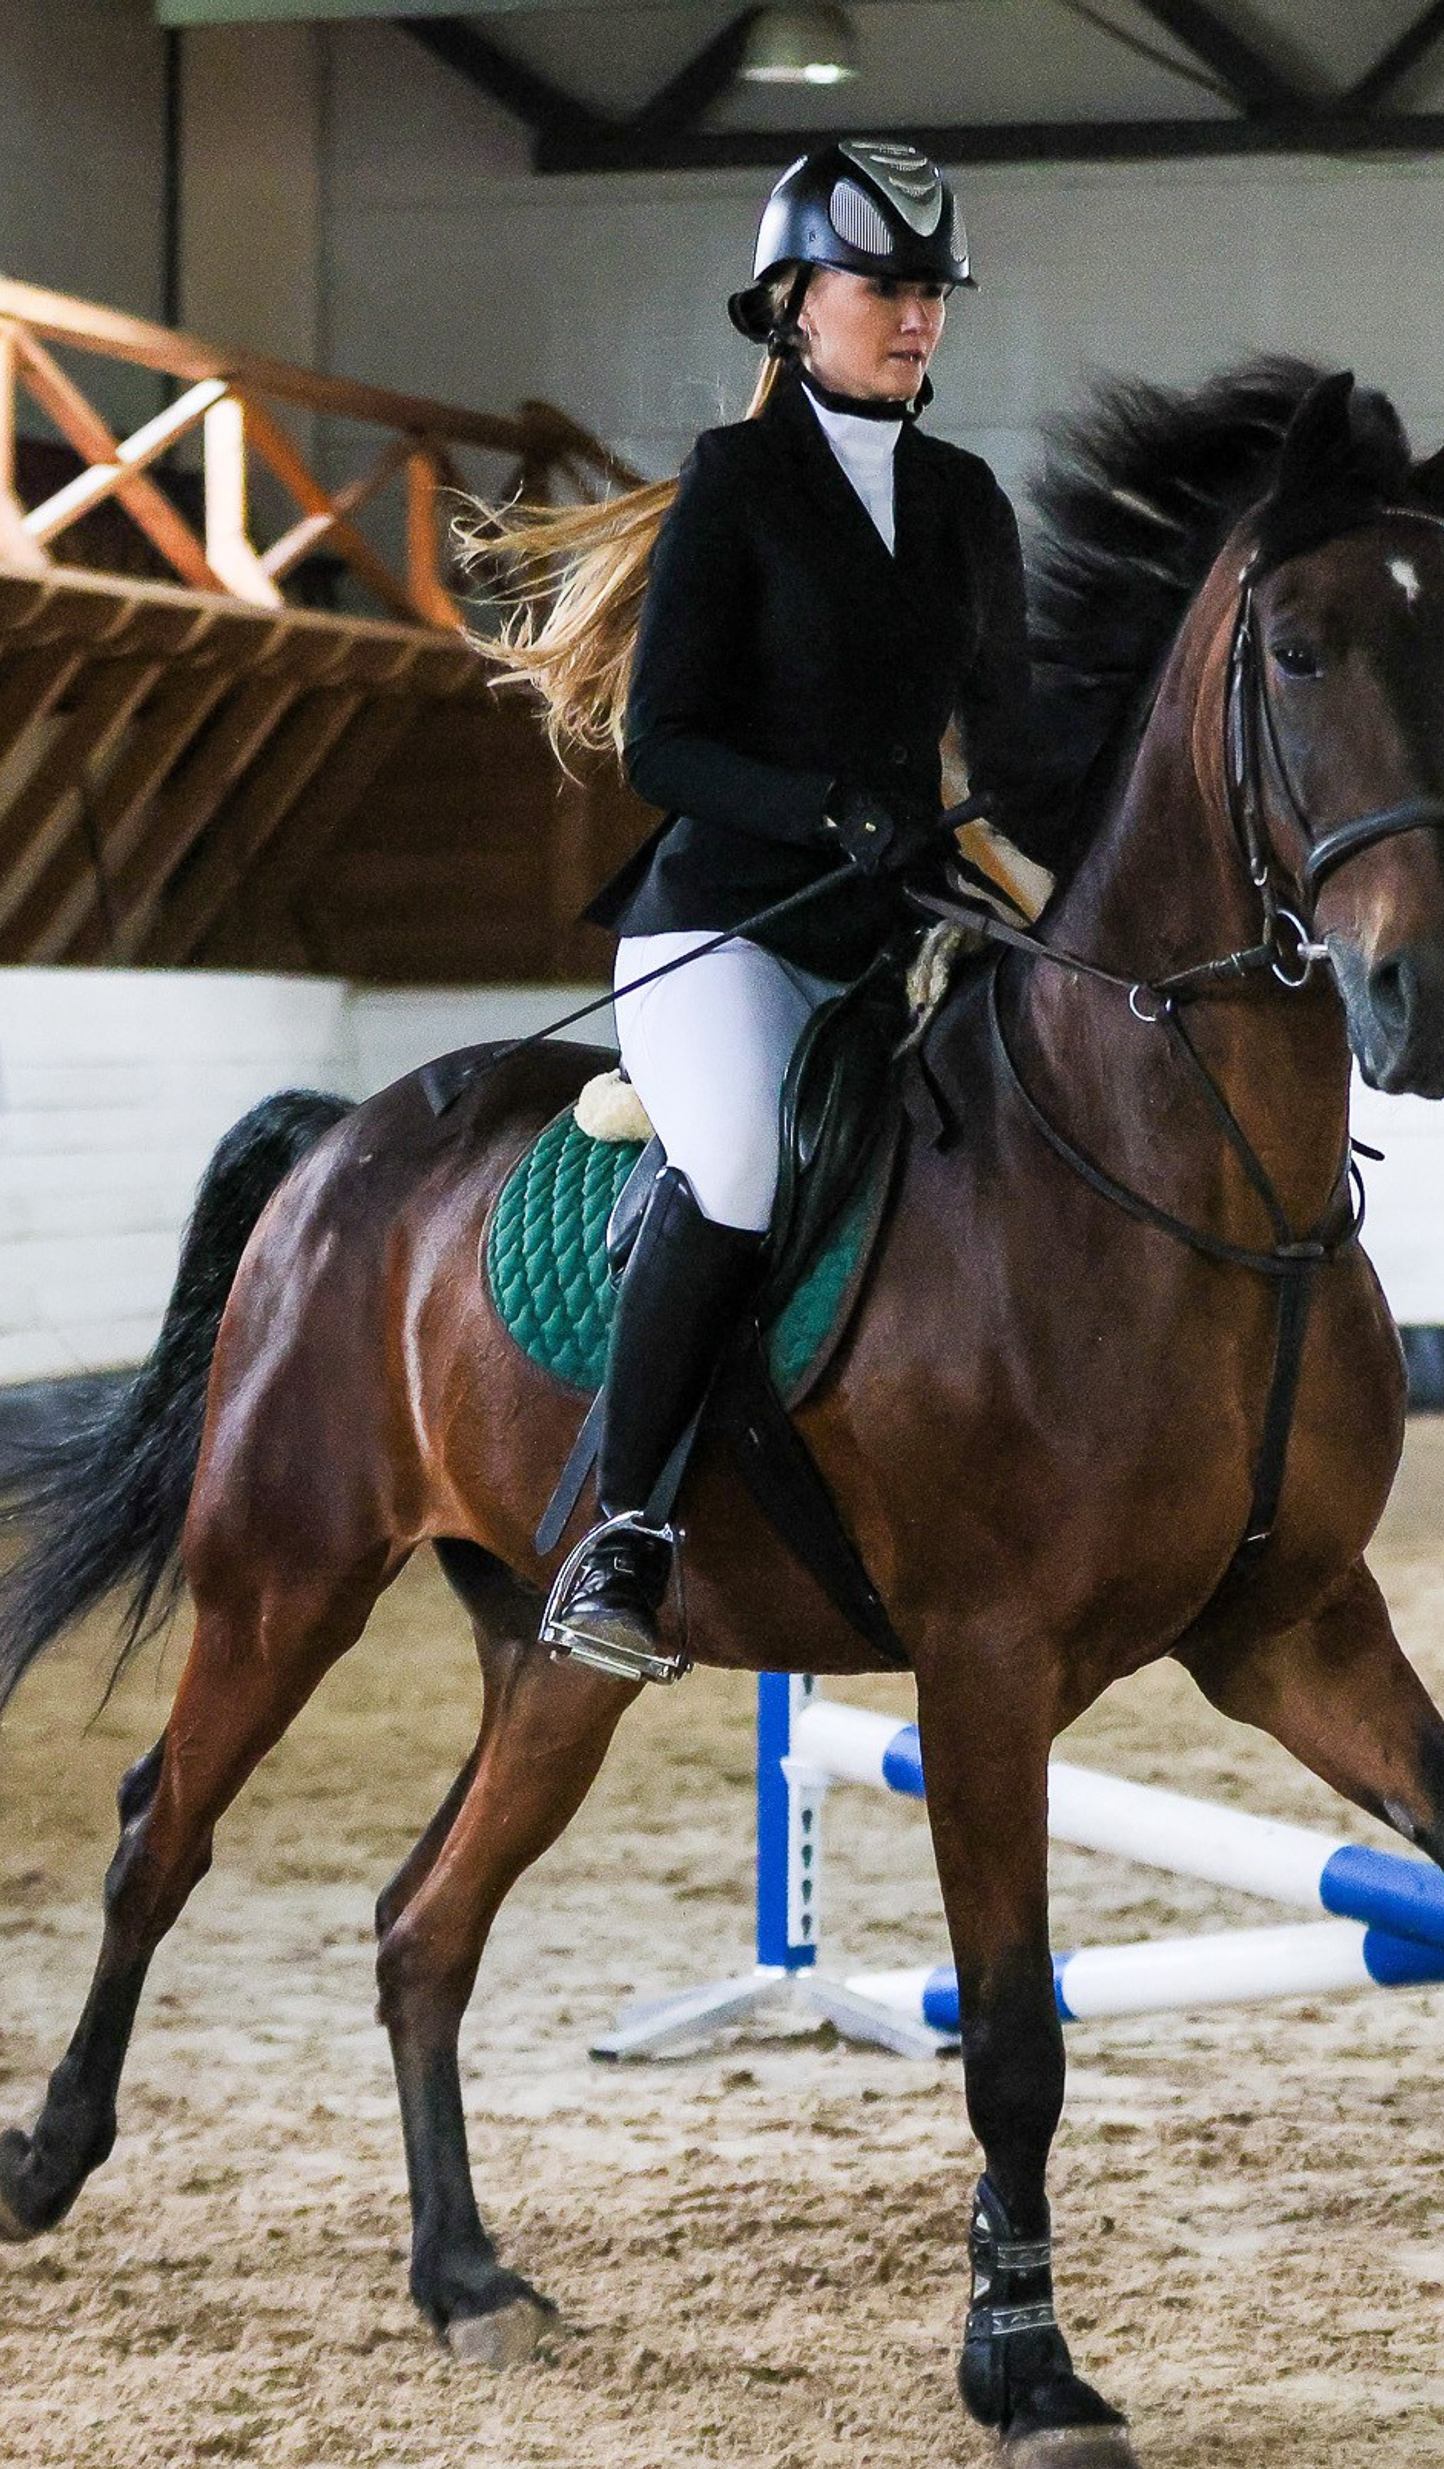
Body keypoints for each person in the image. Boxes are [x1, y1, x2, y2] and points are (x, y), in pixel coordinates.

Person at [471, 138, 1054, 1676]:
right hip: (725, 928)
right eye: (885, 285)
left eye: (933, 290)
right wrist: (826, 807)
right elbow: (662, 741)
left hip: (901, 930)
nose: (916, 314)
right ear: (796, 303)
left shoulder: (967, 502)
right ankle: (630, 1530)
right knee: (732, 1162)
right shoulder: (735, 486)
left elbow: (1016, 747)